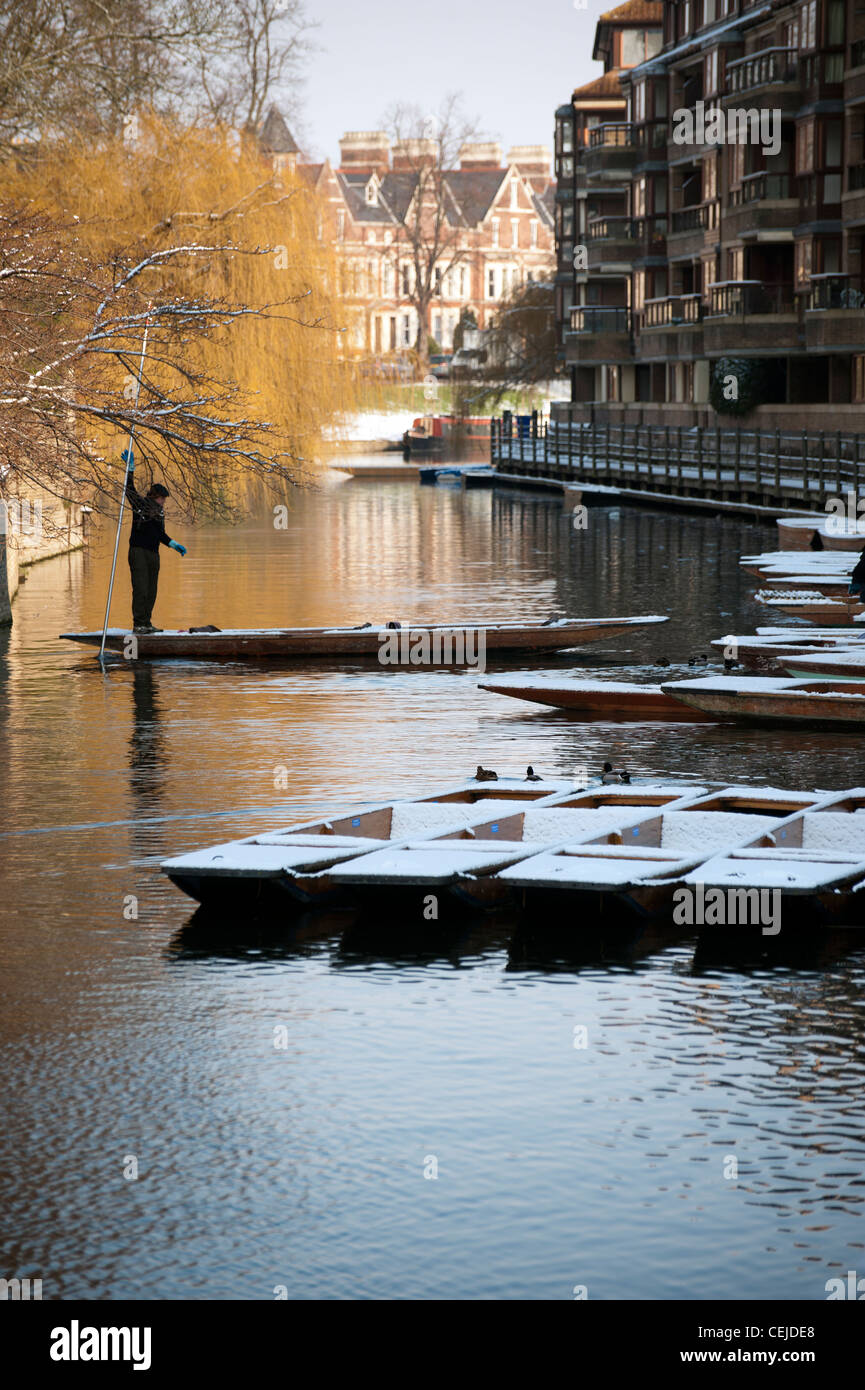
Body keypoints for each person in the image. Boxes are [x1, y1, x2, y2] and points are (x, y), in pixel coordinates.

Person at [122, 448, 187, 633]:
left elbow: (160, 535)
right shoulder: (140, 504)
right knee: (141, 588)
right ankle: (139, 624)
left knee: (151, 590)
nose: (163, 502)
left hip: (153, 553)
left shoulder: (159, 513)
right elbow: (129, 490)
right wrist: (130, 469)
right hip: (138, 552)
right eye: (162, 499)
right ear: (155, 496)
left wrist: (174, 545)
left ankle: (147, 623)